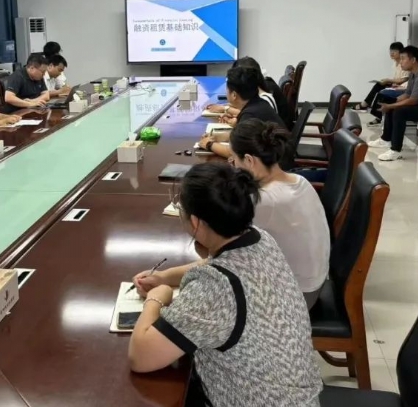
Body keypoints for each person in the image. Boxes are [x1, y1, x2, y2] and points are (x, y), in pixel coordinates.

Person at [127, 162, 322, 406]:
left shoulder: (214, 289)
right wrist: (165, 276)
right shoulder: (260, 239)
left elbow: (141, 357)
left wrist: (157, 298)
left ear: (195, 222)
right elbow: (214, 264)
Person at [229, 119, 330, 309]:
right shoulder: (299, 180)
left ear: (249, 160)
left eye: (234, 159)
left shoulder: (266, 200)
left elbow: (227, 245)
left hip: (296, 298)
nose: (233, 165)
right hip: (314, 283)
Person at [369, 46, 418, 161]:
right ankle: (386, 139)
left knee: (399, 112)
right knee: (392, 105)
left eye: (403, 59)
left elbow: (413, 100)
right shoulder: (413, 72)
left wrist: (391, 106)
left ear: (413, 60)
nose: (400, 62)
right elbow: (407, 94)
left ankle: (395, 151)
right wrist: (391, 102)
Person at [198, 66, 289, 166]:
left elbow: (235, 153)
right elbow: (243, 139)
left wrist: (209, 144)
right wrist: (216, 137)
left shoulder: (250, 115)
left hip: (275, 167)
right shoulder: (258, 104)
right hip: (277, 162)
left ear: (234, 95)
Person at [206, 57, 292, 128]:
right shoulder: (257, 100)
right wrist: (237, 120)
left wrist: (210, 142)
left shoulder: (257, 106)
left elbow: (239, 141)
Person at [355, 42, 410, 114]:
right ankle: (368, 105)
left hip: (401, 87)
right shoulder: (395, 63)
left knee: (380, 90)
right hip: (395, 84)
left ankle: (367, 106)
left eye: (394, 51)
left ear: (400, 52)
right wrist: (389, 81)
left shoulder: (404, 64)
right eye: (390, 51)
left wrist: (388, 80)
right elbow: (396, 78)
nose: (391, 53)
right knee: (379, 85)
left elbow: (404, 79)